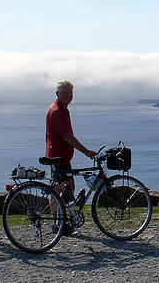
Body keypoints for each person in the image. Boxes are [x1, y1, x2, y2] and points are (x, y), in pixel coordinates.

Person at [46, 80, 97, 233]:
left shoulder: (62, 109)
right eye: (65, 92)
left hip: (61, 157)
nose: (69, 95)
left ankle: (58, 223)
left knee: (62, 188)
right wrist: (86, 152)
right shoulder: (57, 111)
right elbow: (68, 137)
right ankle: (60, 225)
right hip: (58, 157)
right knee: (63, 190)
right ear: (57, 94)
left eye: (70, 92)